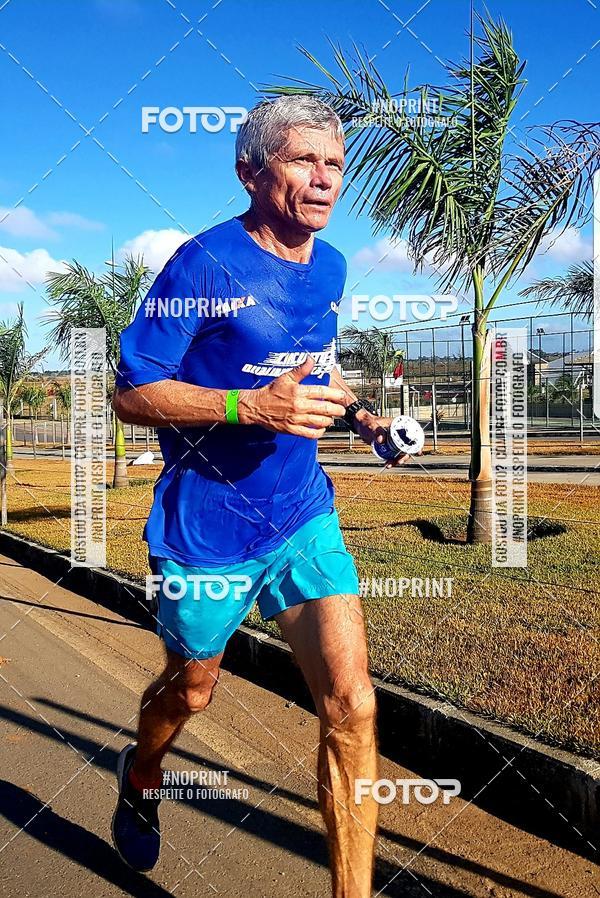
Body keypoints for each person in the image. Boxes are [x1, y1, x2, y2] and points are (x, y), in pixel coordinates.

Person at [111, 95, 407, 898]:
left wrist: (364, 416)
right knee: (192, 691)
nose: (325, 180)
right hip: (205, 529)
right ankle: (141, 773)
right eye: (304, 160)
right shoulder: (202, 265)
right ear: (250, 170)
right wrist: (249, 407)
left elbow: (315, 364)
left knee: (351, 703)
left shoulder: (335, 267)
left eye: (335, 164)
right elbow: (132, 392)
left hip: (300, 513)